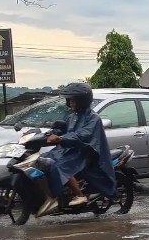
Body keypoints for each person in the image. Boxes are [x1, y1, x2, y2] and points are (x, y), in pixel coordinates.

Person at [42, 82, 115, 211]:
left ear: (82, 101)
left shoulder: (93, 118)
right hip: (69, 149)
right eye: (69, 100)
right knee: (43, 160)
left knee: (59, 166)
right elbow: (64, 129)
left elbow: (83, 135)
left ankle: (79, 195)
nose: (70, 103)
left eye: (73, 100)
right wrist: (48, 134)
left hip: (85, 152)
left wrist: (61, 139)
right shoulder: (73, 116)